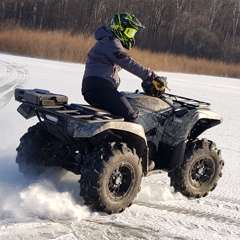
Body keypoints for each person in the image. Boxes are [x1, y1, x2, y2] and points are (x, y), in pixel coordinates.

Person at [82, 12, 166, 123]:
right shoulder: (111, 42)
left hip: (96, 88)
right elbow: (127, 62)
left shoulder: (107, 41)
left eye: (133, 33)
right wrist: (150, 76)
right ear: (119, 29)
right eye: (130, 32)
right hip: (101, 88)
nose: (131, 36)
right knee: (131, 118)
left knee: (119, 118)